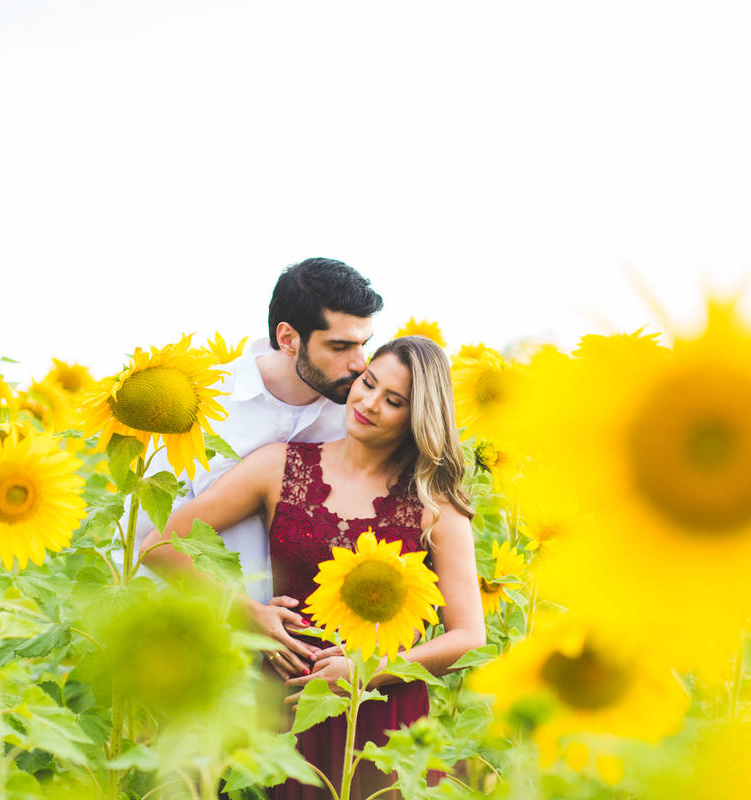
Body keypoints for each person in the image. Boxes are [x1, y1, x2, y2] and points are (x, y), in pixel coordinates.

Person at [140, 336, 485, 799]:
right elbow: (160, 544)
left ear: (417, 416)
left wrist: (365, 672)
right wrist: (244, 609)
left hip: (381, 716)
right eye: (367, 383)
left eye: (394, 400)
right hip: (284, 703)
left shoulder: (433, 505)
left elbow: (468, 637)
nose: (369, 402)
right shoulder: (280, 466)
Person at [114, 256, 384, 651]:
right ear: (289, 338)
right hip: (184, 639)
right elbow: (147, 536)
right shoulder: (199, 404)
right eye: (339, 346)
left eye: (364, 344)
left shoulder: (356, 416)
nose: (359, 363)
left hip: (299, 654)